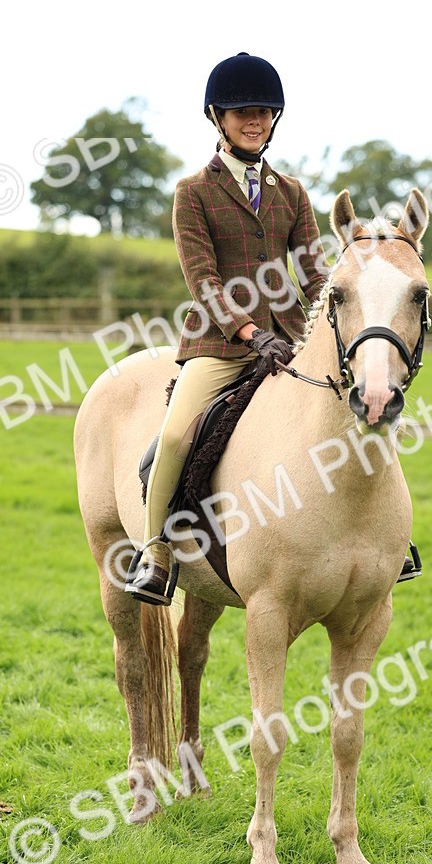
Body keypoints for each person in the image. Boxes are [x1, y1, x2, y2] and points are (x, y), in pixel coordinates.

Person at [126, 52, 328, 605]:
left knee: (353, 407)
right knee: (173, 435)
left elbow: (313, 272)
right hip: (221, 343)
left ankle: (383, 540)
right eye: (242, 112)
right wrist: (246, 331)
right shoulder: (193, 191)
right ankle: (155, 552)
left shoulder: (292, 193)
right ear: (217, 117)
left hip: (287, 340)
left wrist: (332, 320)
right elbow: (203, 279)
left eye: (263, 111)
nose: (254, 121)